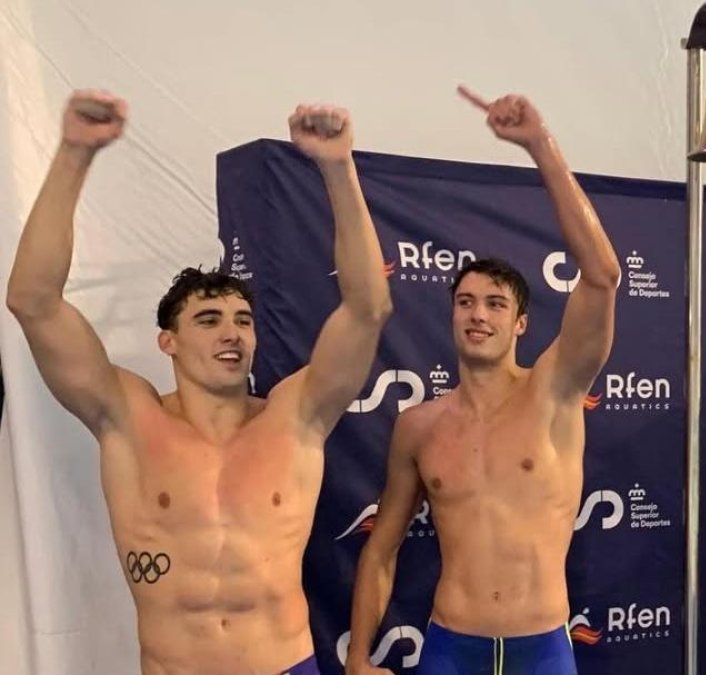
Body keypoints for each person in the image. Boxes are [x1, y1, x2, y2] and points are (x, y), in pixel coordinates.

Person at [6, 90, 393, 674]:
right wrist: (74, 153)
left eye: (243, 320)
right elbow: (32, 300)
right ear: (168, 341)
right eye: (208, 321)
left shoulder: (297, 415)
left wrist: (338, 169)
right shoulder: (127, 416)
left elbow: (367, 308)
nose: (231, 333)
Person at [345, 87, 621, 675]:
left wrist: (539, 144)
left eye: (496, 304)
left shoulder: (554, 391)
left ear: (520, 323)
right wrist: (359, 657)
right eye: (466, 302)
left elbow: (601, 275)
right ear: (451, 315)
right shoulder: (419, 426)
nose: (478, 315)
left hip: (540, 648)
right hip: (452, 646)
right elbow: (382, 548)